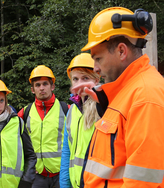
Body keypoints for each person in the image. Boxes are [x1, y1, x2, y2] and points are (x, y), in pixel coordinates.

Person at [75, 7, 164, 187]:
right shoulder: (129, 91)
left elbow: (143, 182)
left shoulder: (145, 96)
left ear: (122, 51)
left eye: (98, 59)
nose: (96, 69)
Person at [18, 65, 69, 188]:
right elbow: (16, 144)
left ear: (52, 86)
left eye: (45, 84)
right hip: (36, 175)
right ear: (32, 89)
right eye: (38, 85)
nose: (42, 88)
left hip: (61, 174)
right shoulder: (24, 113)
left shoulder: (67, 110)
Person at [59, 53, 100, 188]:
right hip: (75, 183)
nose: (79, 83)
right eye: (75, 79)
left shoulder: (104, 108)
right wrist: (65, 184)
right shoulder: (72, 110)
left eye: (85, 78)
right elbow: (67, 151)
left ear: (96, 79)